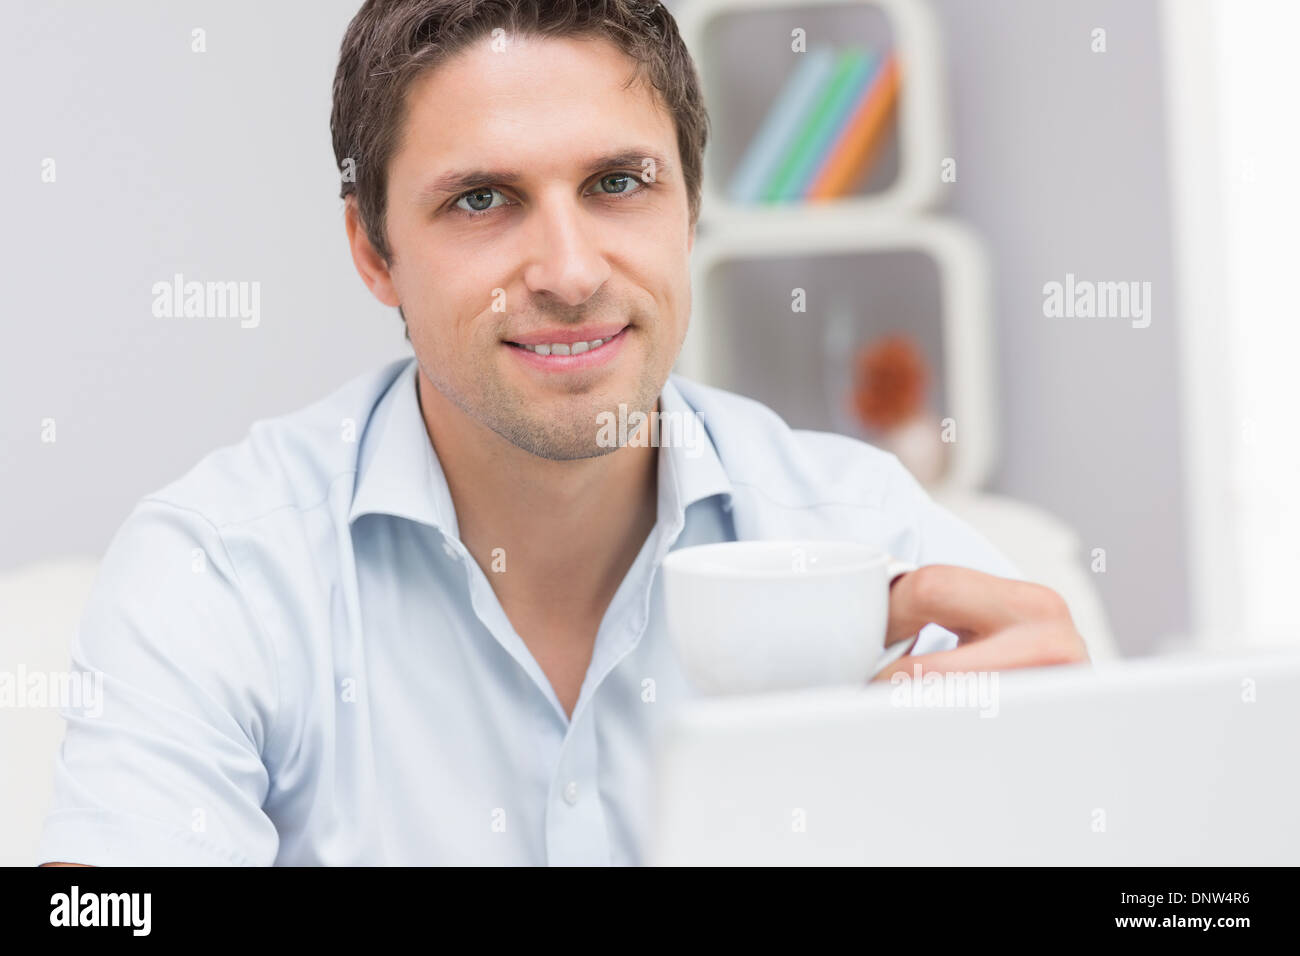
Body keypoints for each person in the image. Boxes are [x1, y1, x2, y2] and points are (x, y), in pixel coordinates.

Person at [38, 0, 1087, 867]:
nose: (570, 272)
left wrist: (1090, 797)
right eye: (482, 199)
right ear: (373, 249)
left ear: (689, 208)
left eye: (617, 184)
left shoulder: (873, 536)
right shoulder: (217, 573)